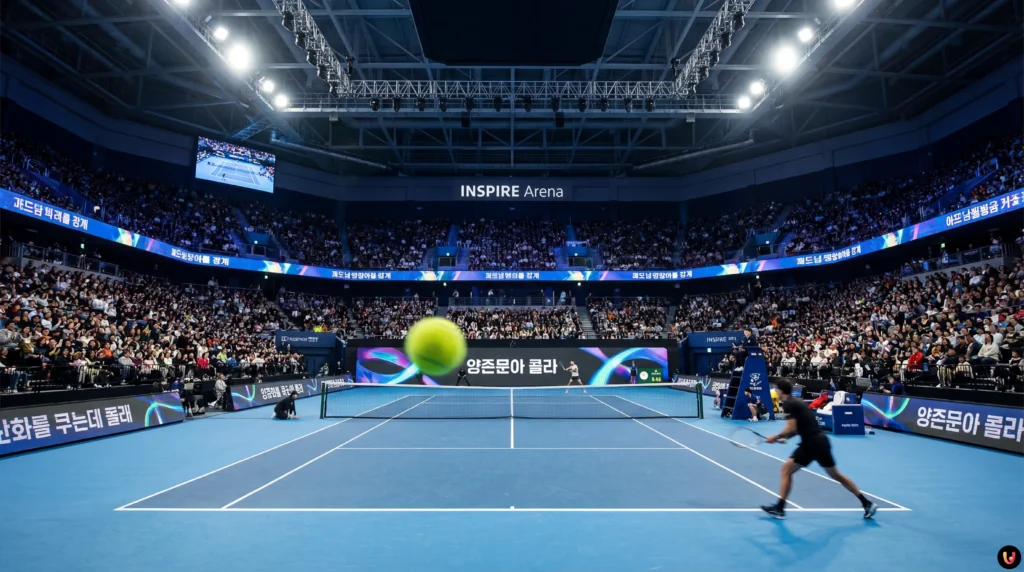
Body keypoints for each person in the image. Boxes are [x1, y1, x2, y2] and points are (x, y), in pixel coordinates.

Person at [761, 379, 877, 520]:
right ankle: (867, 503)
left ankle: (779, 509)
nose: (775, 391)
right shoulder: (796, 402)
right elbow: (797, 429)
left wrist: (776, 436)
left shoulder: (788, 404)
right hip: (821, 441)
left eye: (776, 388)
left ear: (780, 390)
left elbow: (791, 428)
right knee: (836, 475)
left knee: (786, 469)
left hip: (811, 443)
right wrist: (785, 438)